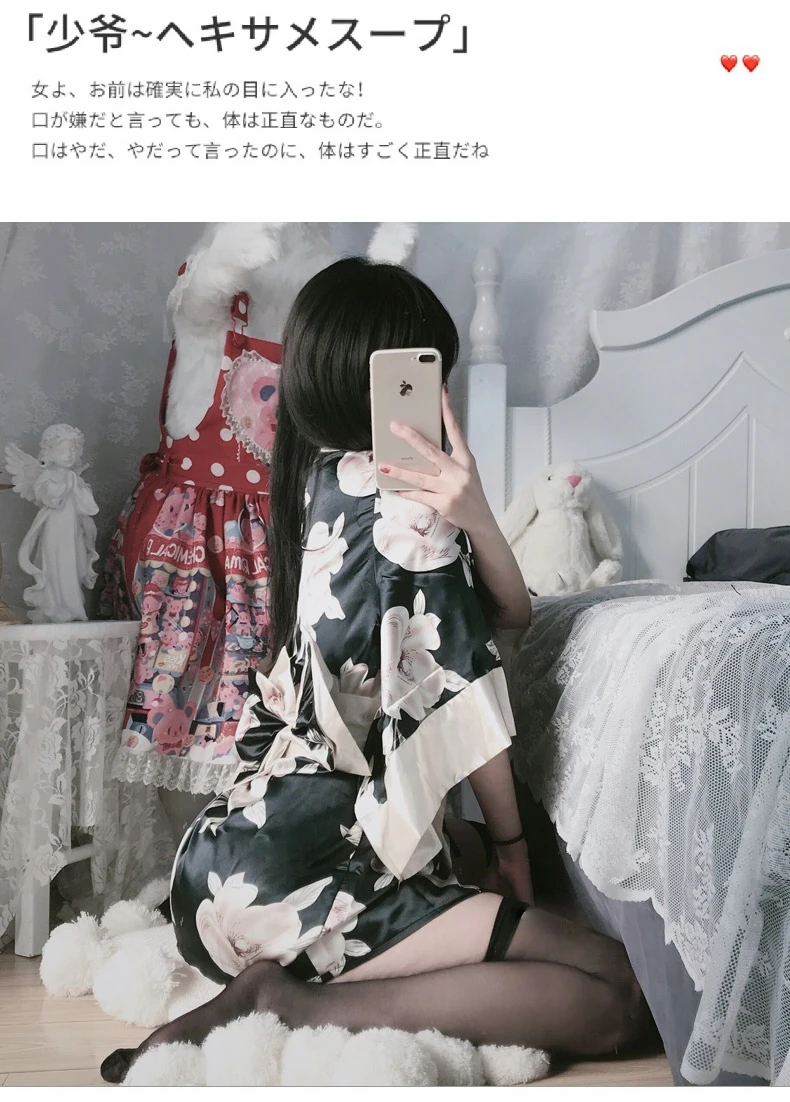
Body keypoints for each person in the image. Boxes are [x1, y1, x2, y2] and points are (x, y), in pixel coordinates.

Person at [102, 258, 651, 1083]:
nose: (438, 394)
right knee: (618, 997)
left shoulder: (314, 480)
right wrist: (513, 856)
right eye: (426, 374)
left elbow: (508, 612)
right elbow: (466, 700)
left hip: (222, 872)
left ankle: (307, 973)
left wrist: (472, 512)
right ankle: (291, 1004)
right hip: (307, 870)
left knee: (459, 859)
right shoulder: (408, 515)